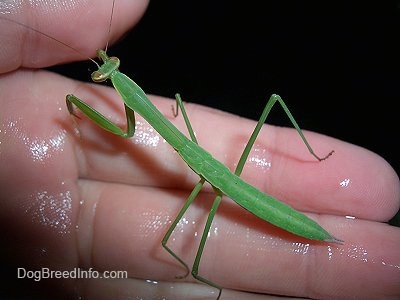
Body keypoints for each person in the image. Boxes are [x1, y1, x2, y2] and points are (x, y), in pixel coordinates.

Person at [1, 0, 399, 298]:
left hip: (230, 187)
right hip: (221, 178)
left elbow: (126, 133)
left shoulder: (127, 108)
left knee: (177, 246)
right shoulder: (139, 101)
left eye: (108, 69)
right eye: (105, 71)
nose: (106, 70)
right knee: (271, 98)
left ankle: (206, 276)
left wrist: (76, 107)